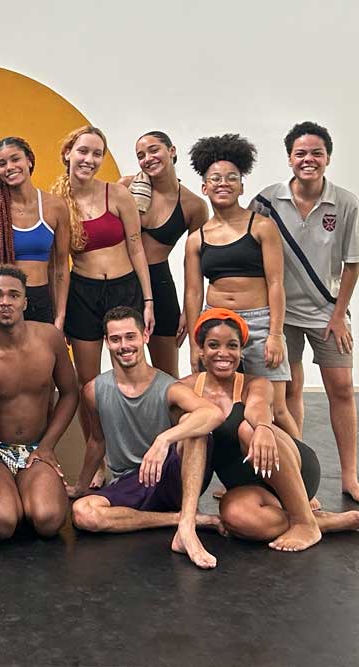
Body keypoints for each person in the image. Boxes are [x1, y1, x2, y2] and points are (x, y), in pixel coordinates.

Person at [180, 308, 359, 551]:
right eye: (214, 345)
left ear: (241, 351)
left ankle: (304, 522)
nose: (223, 353)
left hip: (289, 465)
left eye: (232, 345)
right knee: (236, 518)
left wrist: (264, 426)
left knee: (247, 429)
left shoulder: (256, 383)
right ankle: (323, 522)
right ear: (201, 350)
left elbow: (258, 406)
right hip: (248, 485)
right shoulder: (185, 388)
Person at [69, 306, 225, 569]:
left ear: (145, 335)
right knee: (83, 514)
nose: (124, 345)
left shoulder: (169, 387)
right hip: (130, 481)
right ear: (107, 342)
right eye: (116, 339)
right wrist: (80, 487)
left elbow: (213, 414)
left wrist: (164, 439)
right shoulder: (94, 391)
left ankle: (187, 528)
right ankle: (181, 519)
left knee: (194, 427)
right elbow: (97, 441)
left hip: (169, 477)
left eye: (130, 336)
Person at [253, 121, 359, 502]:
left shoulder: (345, 203)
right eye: (301, 153)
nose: (308, 160)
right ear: (289, 158)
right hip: (280, 315)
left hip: (327, 313)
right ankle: (297, 470)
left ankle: (350, 475)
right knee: (289, 393)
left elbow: (352, 263)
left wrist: (339, 314)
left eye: (316, 153)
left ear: (328, 157)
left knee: (343, 389)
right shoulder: (268, 200)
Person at [183, 134, 299, 440]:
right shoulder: (197, 237)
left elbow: (276, 283)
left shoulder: (261, 226)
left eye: (231, 178)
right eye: (215, 178)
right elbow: (193, 292)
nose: (224, 183)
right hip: (215, 325)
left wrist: (275, 334)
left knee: (276, 408)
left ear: (242, 186)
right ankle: (241, 479)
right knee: (224, 406)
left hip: (259, 323)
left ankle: (301, 477)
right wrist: (196, 341)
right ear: (204, 187)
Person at [0, 266, 80, 557]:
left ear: (25, 301)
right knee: (3, 522)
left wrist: (48, 445)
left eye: (14, 295)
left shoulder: (50, 339)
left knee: (48, 519)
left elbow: (70, 394)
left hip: (36, 447)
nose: (5, 302)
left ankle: (26, 489)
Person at [50, 127, 155, 454]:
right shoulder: (57, 204)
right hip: (84, 292)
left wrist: (148, 300)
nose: (90, 160)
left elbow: (137, 248)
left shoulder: (117, 194)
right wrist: (61, 315)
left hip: (125, 291)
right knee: (88, 384)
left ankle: (142, 451)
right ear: (68, 152)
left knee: (135, 375)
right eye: (83, 151)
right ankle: (96, 455)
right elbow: (59, 266)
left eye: (97, 154)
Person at [119, 132, 209, 377]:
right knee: (126, 369)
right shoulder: (126, 187)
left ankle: (173, 417)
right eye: (140, 155)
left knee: (167, 373)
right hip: (122, 281)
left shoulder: (194, 205)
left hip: (159, 283)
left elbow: (195, 264)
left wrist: (189, 313)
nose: (148, 158)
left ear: (172, 150)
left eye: (154, 150)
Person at [0, 137, 70, 334]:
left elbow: (60, 267)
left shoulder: (55, 207)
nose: (10, 167)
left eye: (15, 159)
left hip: (40, 299)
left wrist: (60, 317)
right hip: (2, 302)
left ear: (29, 161)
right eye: (2, 163)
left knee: (42, 364)